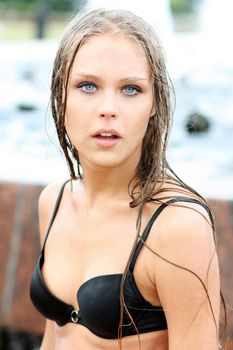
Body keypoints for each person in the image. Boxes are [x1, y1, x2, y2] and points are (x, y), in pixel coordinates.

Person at [30, 8, 224, 350]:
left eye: (131, 89)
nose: (109, 108)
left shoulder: (176, 226)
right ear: (61, 96)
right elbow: (53, 337)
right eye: (87, 86)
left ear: (154, 103)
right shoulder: (54, 201)